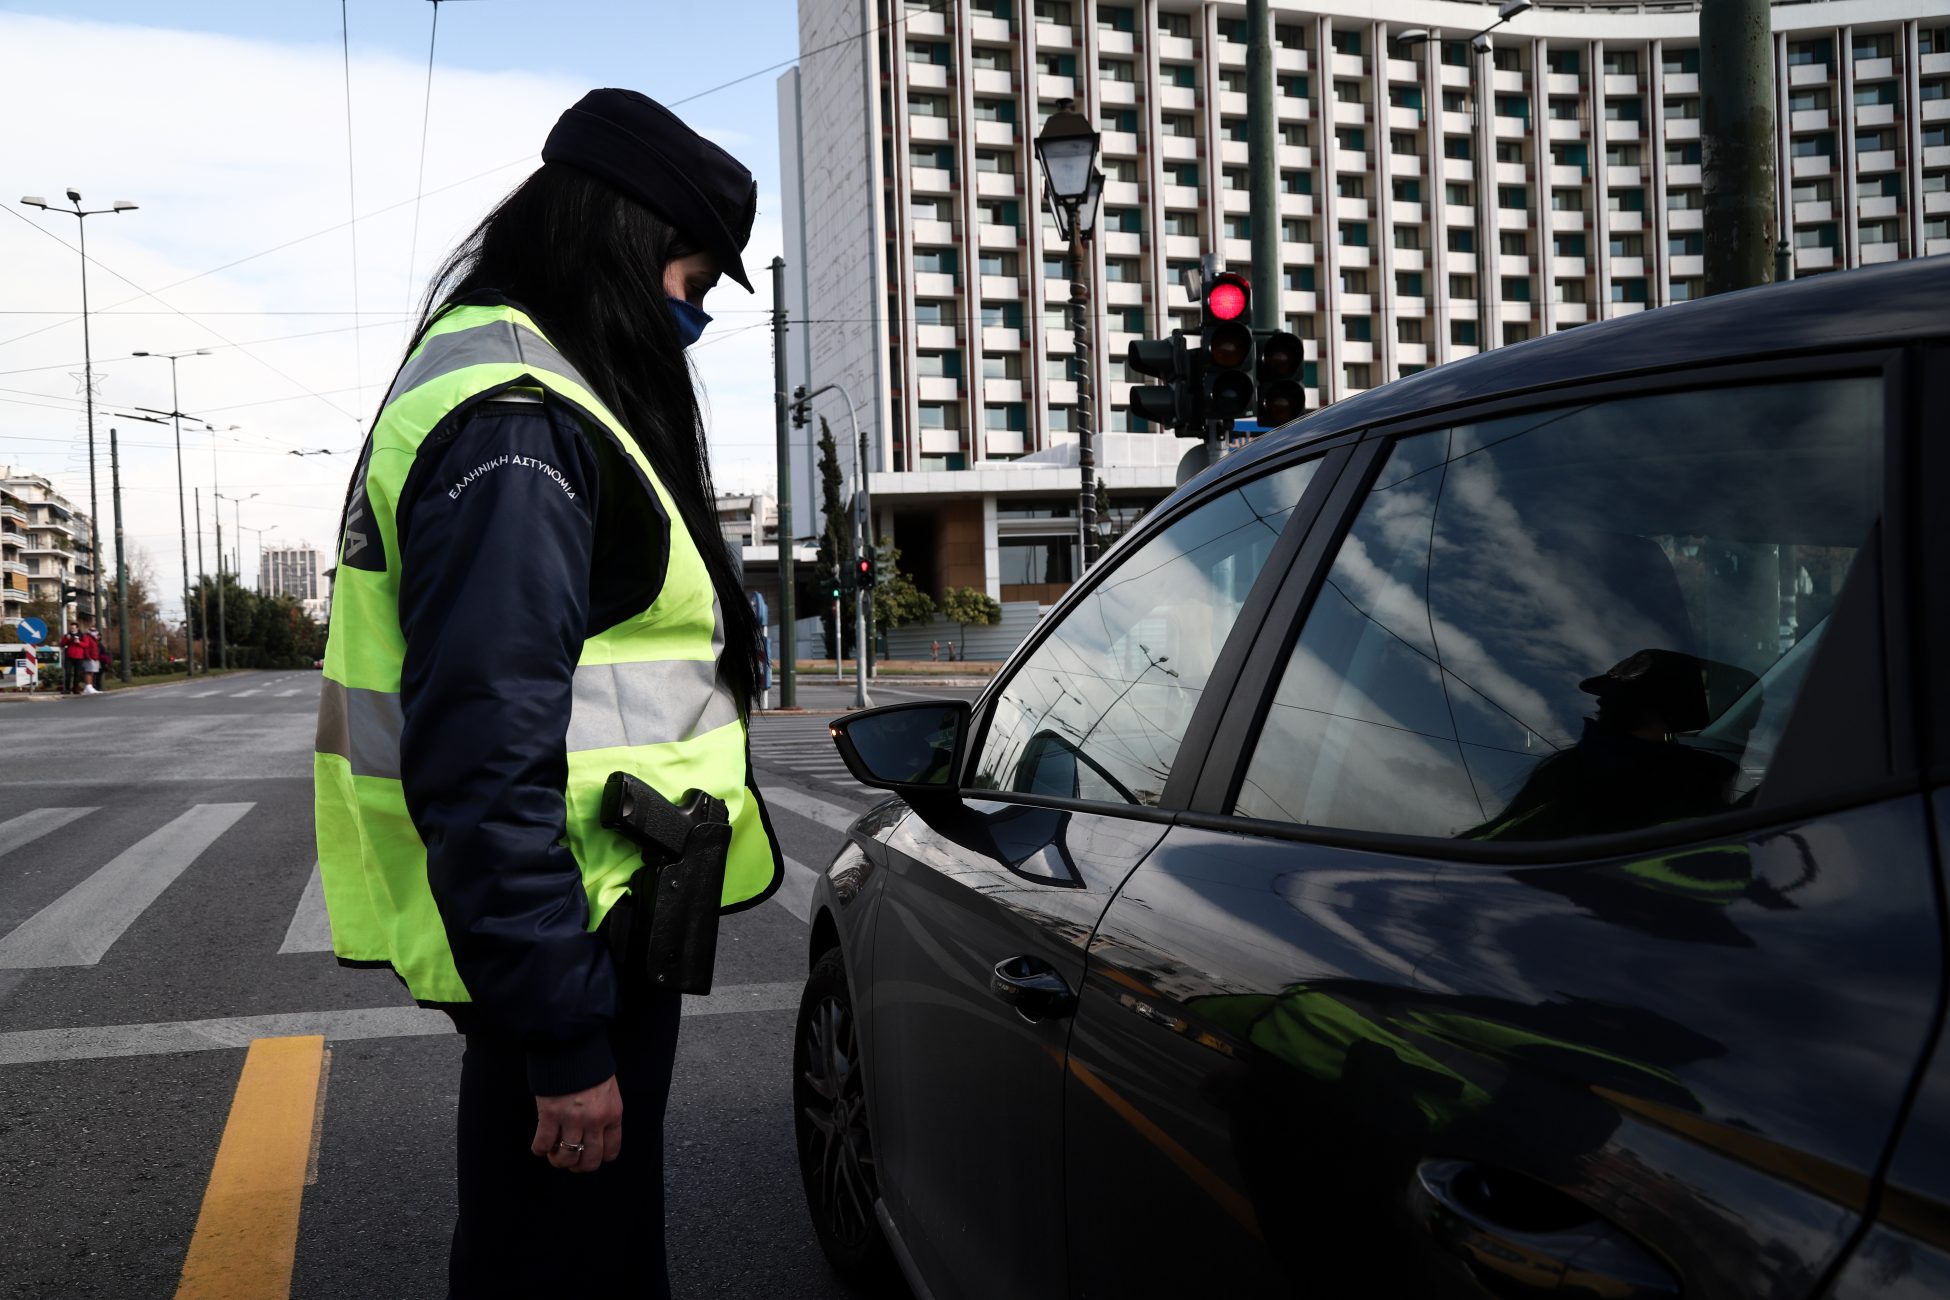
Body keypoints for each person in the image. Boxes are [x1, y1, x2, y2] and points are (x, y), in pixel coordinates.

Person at [311, 89, 782, 1299]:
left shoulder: (528, 394)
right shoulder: (522, 423)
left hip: (591, 935)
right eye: (692, 277)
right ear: (625, 244)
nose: (694, 311)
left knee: (565, 1255)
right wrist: (564, 1037)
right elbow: (483, 757)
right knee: (565, 1268)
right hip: (579, 944)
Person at [59, 622, 88, 695]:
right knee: (68, 673)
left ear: (77, 628)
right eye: (71, 628)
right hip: (69, 656)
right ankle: (67, 689)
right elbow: (62, 644)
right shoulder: (67, 635)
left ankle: (76, 689)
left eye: (73, 628)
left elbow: (86, 644)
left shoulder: (82, 635)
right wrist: (67, 639)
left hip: (79, 657)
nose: (72, 629)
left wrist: (79, 642)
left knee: (77, 674)